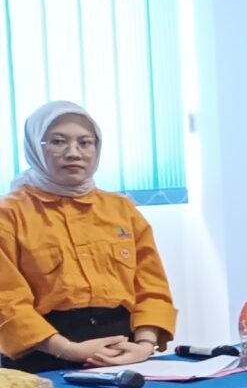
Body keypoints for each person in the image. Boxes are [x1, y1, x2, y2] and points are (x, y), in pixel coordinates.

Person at [0, 101, 177, 372]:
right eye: (58, 142)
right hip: (43, 356)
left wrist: (144, 345)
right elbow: (7, 300)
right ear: (35, 146)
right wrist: (67, 349)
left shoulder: (122, 209)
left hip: (124, 351)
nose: (74, 153)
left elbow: (152, 287)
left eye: (85, 143)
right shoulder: (9, 214)